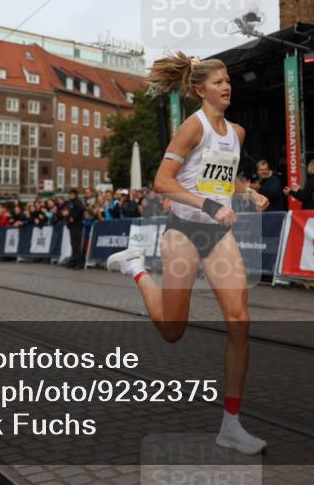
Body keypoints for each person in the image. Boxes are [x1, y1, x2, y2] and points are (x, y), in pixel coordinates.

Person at [105, 52, 269, 455]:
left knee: (239, 320)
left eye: (228, 79)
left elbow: (220, 182)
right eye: (218, 82)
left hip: (218, 235)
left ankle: (231, 424)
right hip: (183, 231)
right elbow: (163, 182)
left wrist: (246, 191)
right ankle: (137, 268)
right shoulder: (190, 129)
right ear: (200, 90)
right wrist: (209, 206)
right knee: (173, 331)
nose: (227, 86)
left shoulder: (238, 133)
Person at [63, 188, 86, 269]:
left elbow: (81, 209)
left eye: (70, 194)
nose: (69, 195)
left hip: (77, 225)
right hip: (71, 226)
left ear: (74, 195)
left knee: (77, 245)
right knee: (73, 244)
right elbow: (66, 210)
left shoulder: (77, 202)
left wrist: (73, 217)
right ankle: (74, 261)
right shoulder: (69, 203)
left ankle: (79, 263)